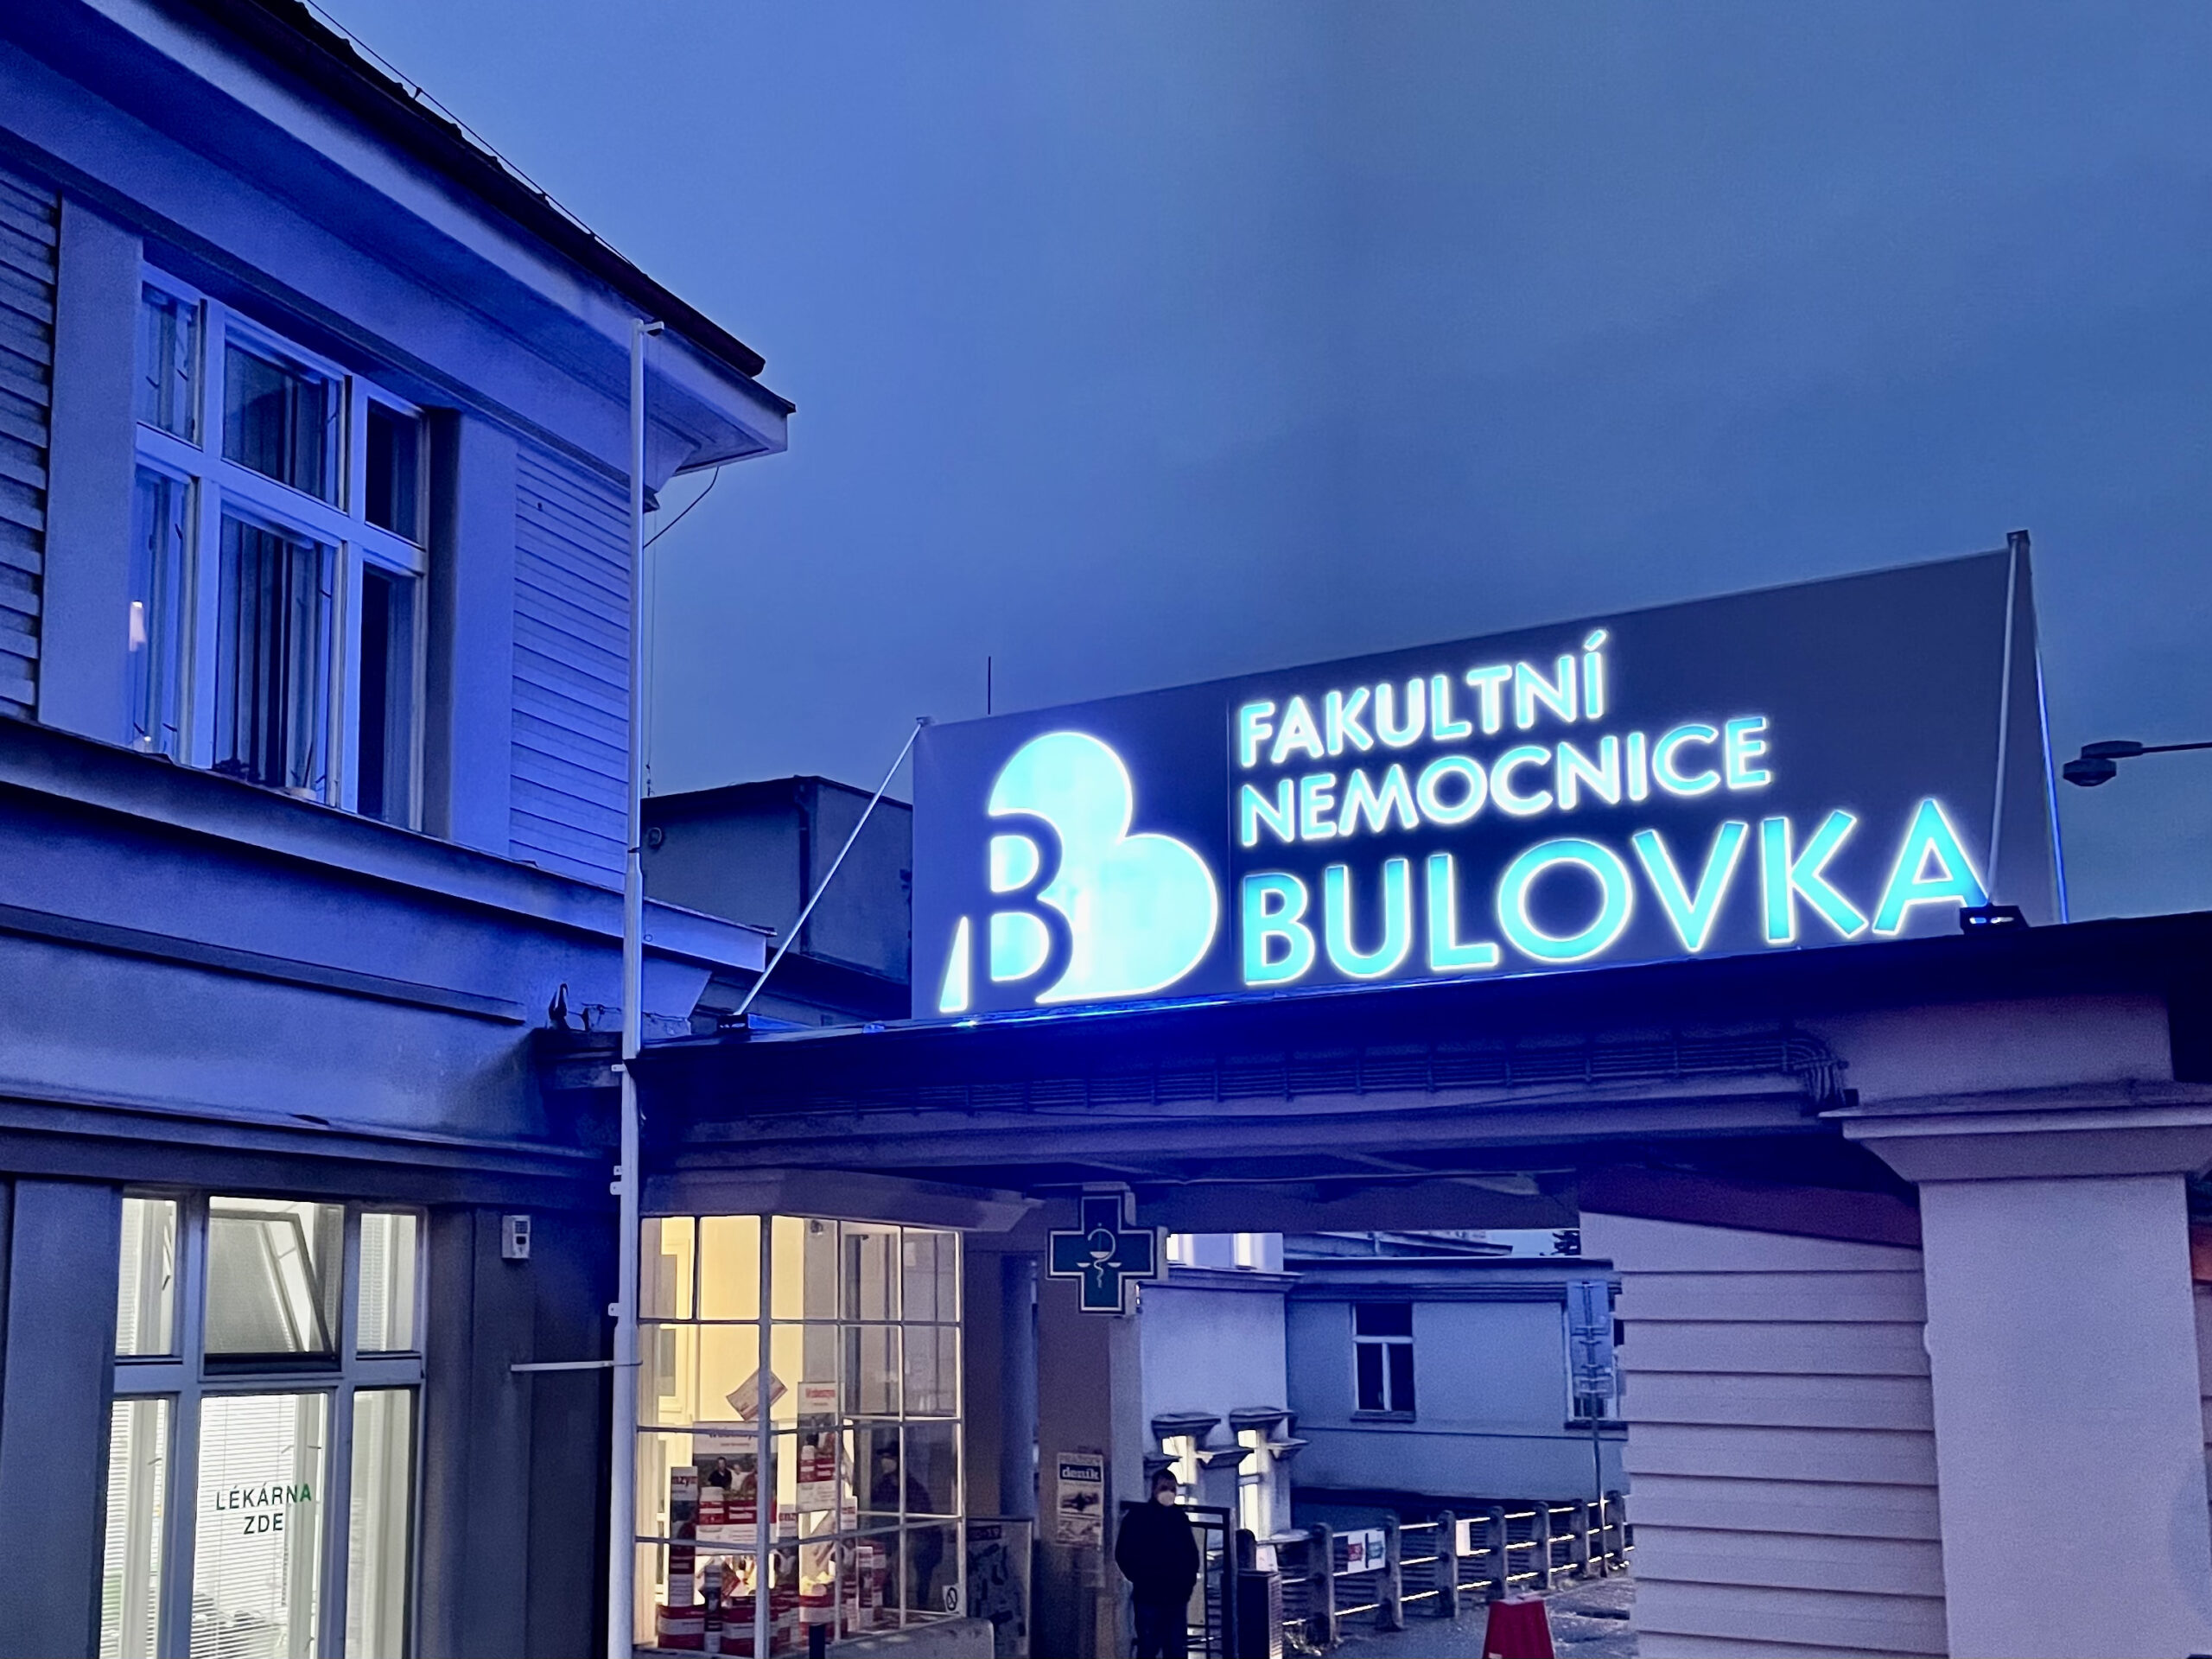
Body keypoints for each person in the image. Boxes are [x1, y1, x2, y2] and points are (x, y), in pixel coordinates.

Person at [1114, 1468, 1200, 1659]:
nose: (1169, 1493)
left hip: (1173, 1596)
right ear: (1154, 1489)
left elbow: (1192, 1555)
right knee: (1151, 1647)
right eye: (1164, 1488)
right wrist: (1140, 1578)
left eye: (1172, 1489)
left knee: (1172, 1648)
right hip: (1151, 1595)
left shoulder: (1178, 1518)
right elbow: (1123, 1553)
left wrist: (1187, 1584)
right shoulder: (1139, 1518)